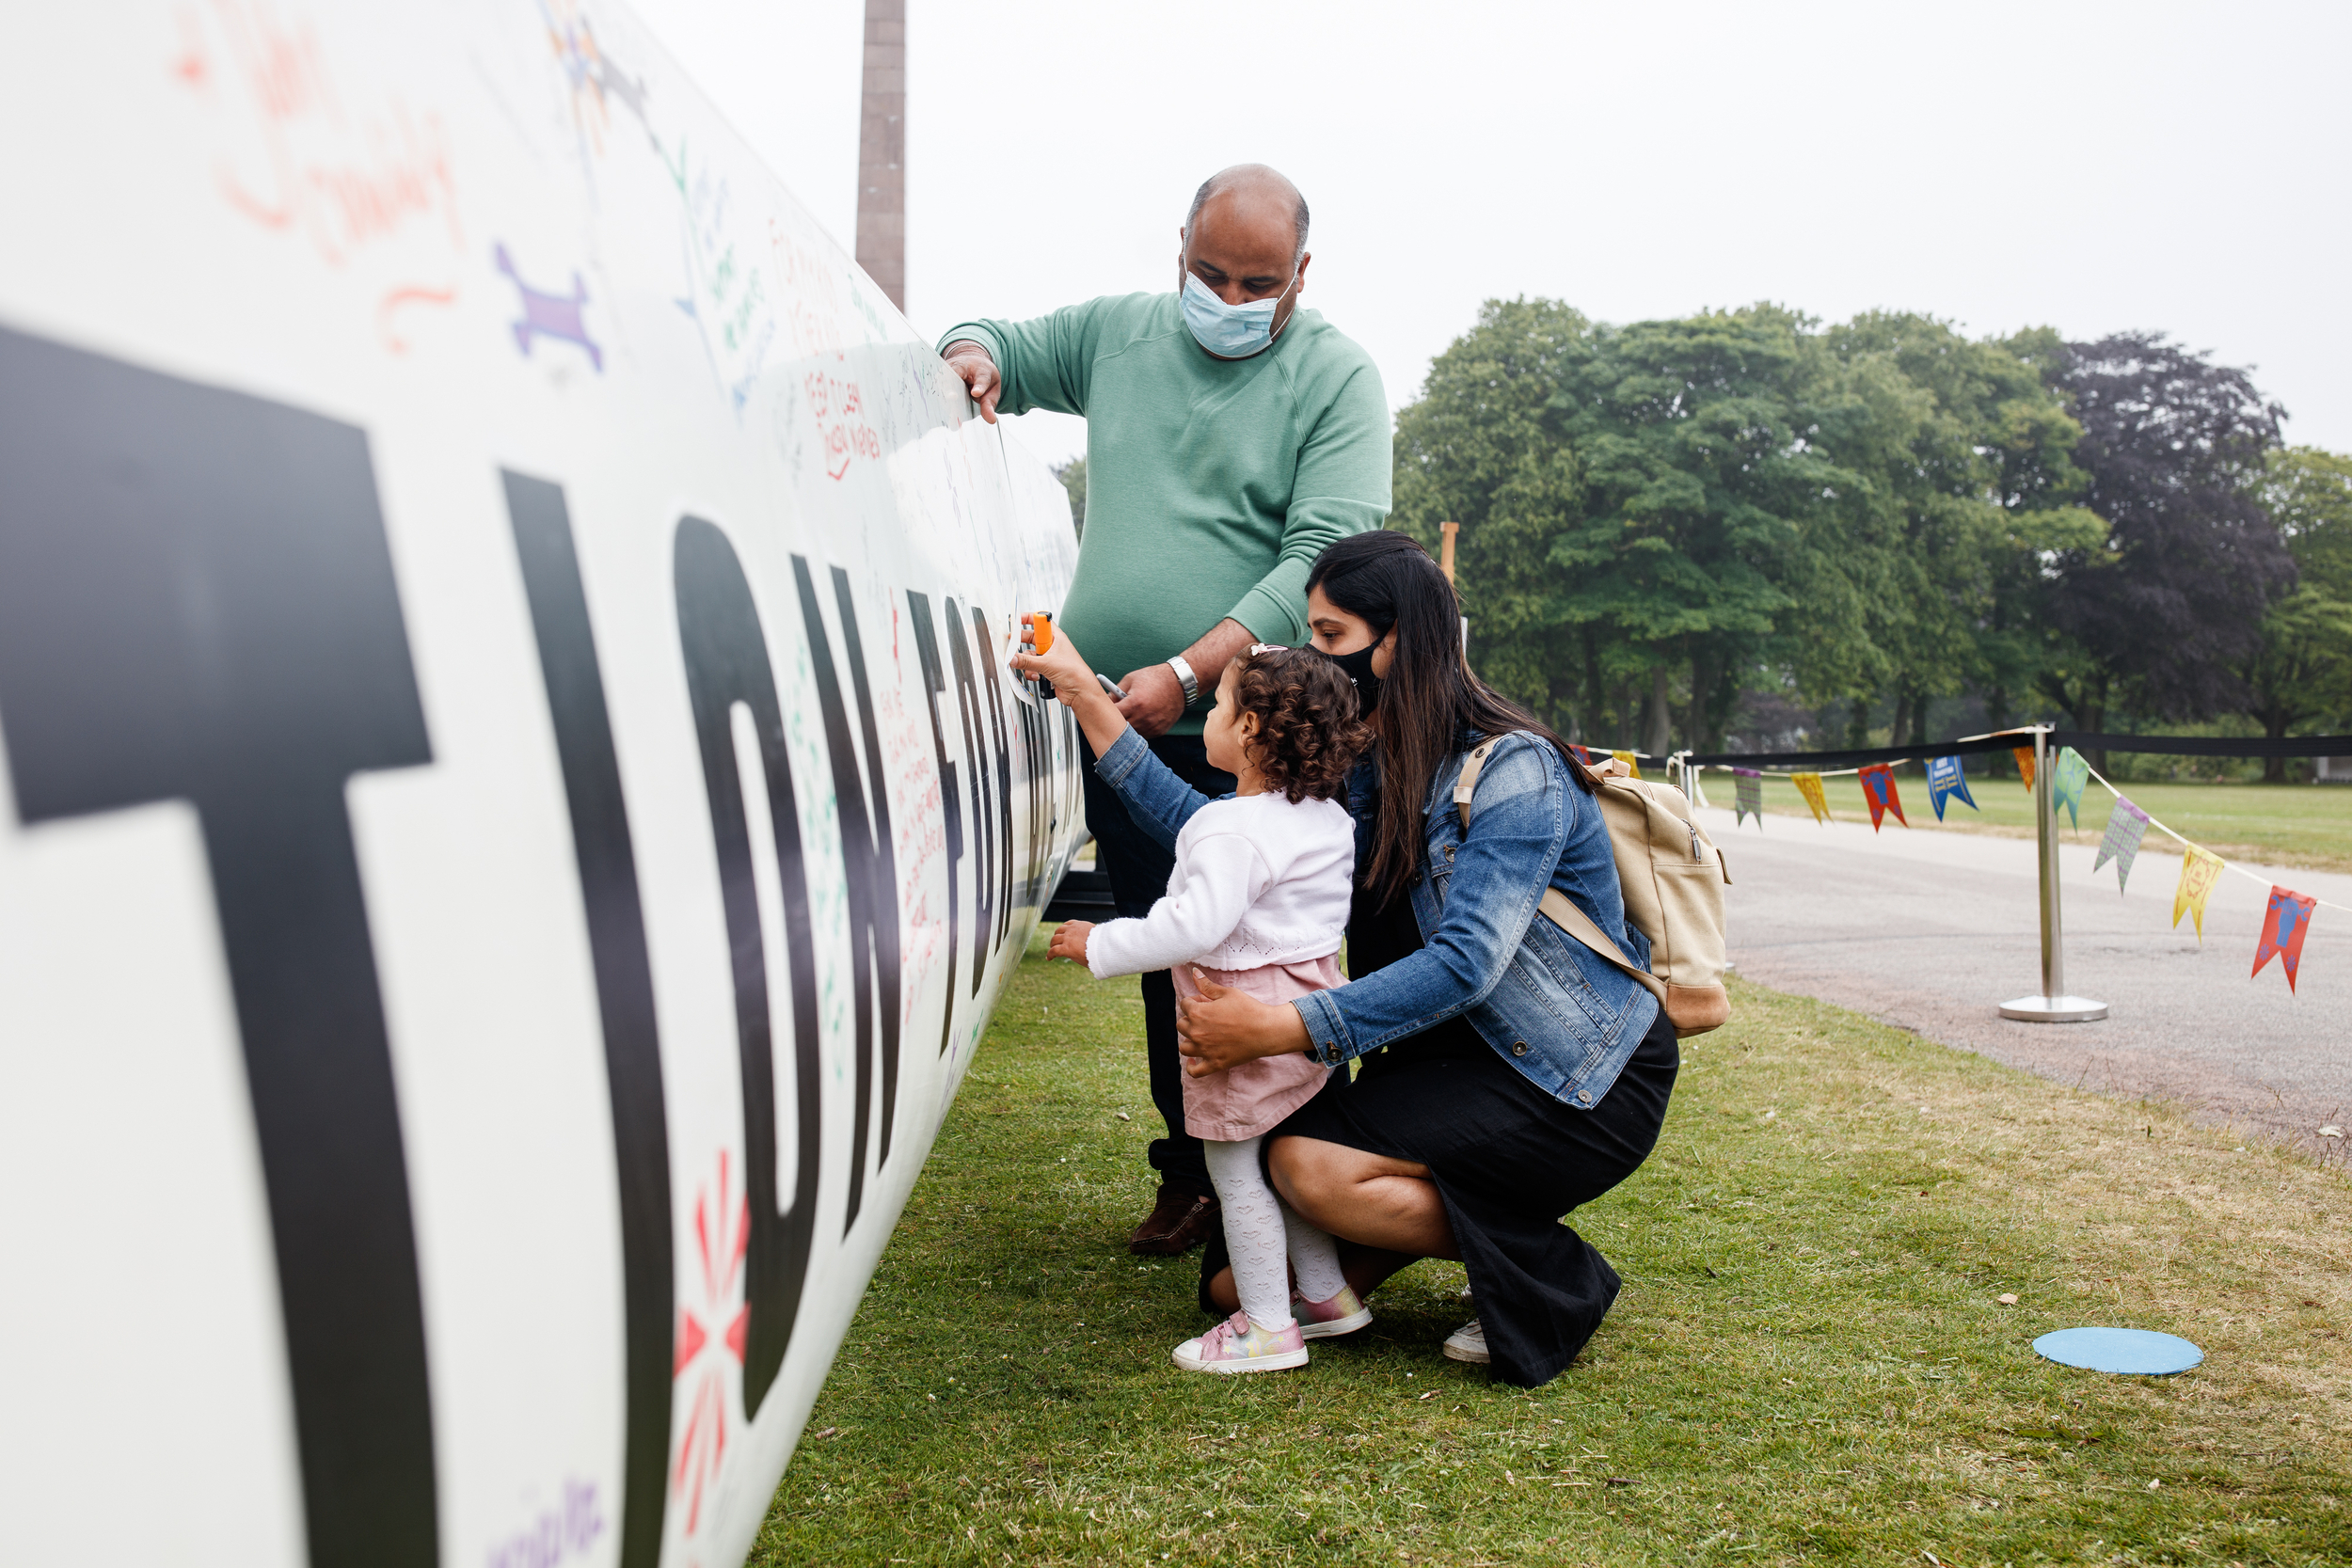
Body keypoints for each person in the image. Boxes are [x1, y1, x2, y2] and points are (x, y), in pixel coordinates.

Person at [1083, 531, 1679, 1388]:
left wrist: (1279, 1028)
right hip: (1449, 1062)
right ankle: (1474, 1236)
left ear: (1394, 640)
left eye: (1331, 637)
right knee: (1229, 1285)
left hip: (1573, 1076)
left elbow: (1466, 964)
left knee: (1304, 1167)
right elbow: (1223, 835)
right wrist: (1086, 700)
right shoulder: (1373, 767)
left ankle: (1548, 1270)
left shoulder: (1516, 771)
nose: (1316, 656)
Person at [940, 165, 1389, 1255]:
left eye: (1257, 282)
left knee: (1302, 948)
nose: (1230, 300)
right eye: (1209, 273)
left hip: (1265, 729)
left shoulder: (1337, 377)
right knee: (1178, 961)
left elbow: (1318, 560)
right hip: (1127, 731)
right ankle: (1194, 1168)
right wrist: (973, 354)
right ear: (1177, 248)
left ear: (1300, 276)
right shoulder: (1118, 335)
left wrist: (1188, 673)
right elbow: (996, 335)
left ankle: (1324, 1155)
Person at [1024, 627, 1376, 1372]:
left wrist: (1102, 944)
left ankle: (1267, 1328)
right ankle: (1323, 1296)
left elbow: (1193, 925)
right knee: (1282, 1163)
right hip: (1305, 1019)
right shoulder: (1326, 819)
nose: (1207, 720)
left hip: (1237, 1021)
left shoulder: (1230, 828)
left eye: (1215, 707)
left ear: (1248, 728)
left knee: (1237, 1169)